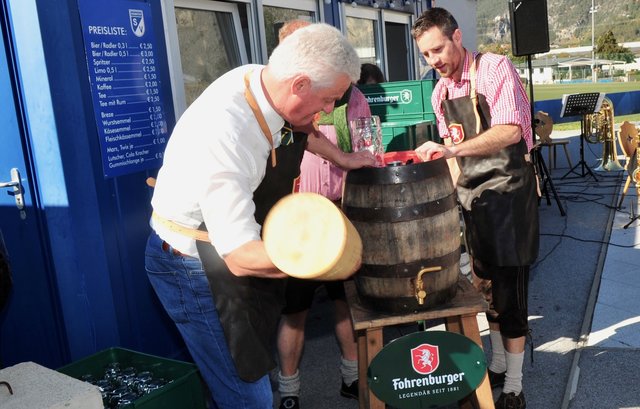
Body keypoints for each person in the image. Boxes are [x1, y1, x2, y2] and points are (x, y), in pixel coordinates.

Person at [145, 23, 375, 409]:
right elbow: (239, 255)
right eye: (329, 99)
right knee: (248, 393)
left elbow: (300, 128)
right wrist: (326, 257)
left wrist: (344, 159)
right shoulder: (226, 131)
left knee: (248, 373)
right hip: (193, 265)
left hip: (231, 250)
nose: (330, 110)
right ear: (300, 84)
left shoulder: (267, 83)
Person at [411, 8, 539, 409]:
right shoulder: (439, 93)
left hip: (509, 192)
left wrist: (453, 148)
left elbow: (510, 130)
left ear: (457, 37)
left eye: (438, 50)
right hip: (473, 199)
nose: (434, 61)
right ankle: (498, 363)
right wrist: (445, 204)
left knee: (510, 293)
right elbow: (453, 163)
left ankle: (515, 386)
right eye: (426, 55)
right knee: (484, 290)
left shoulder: (494, 69)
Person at [274, 19, 370, 409]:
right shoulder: (279, 102)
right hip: (299, 219)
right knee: (294, 310)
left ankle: (352, 379)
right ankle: (290, 390)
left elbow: (366, 145)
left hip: (342, 213)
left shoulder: (352, 96)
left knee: (346, 301)